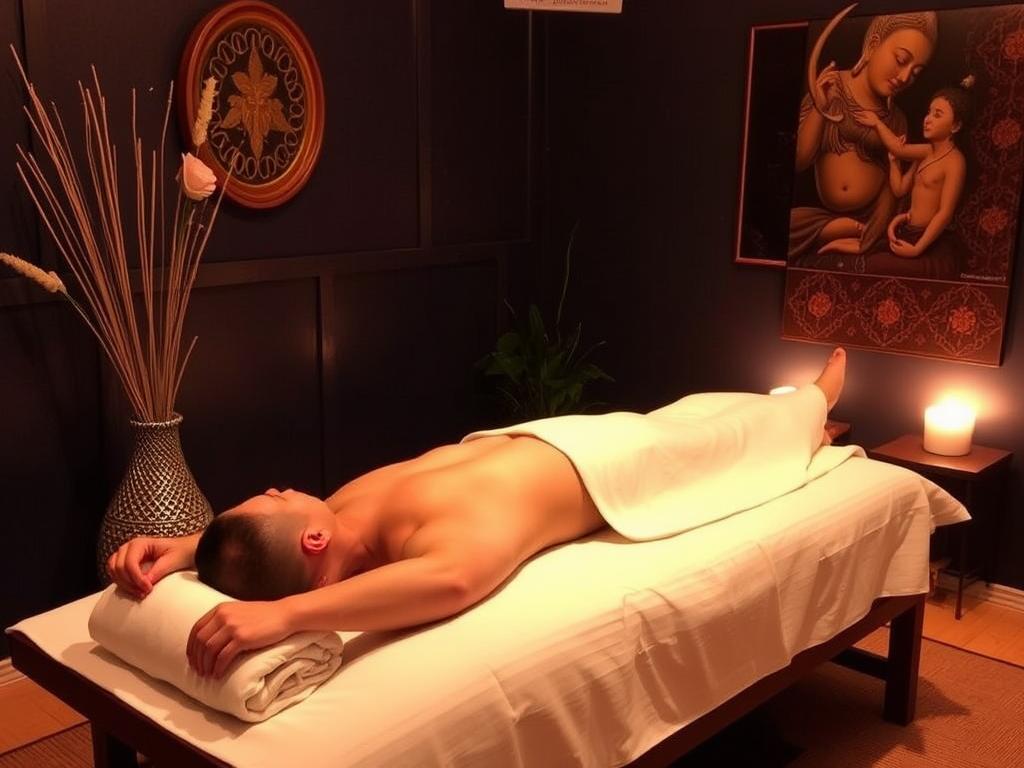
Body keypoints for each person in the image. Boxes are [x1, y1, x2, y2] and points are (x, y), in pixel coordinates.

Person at [108, 348, 849, 680]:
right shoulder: (434, 543)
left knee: (692, 410)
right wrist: (283, 616)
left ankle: (795, 417)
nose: (277, 486)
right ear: (313, 539)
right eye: (272, 498)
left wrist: (188, 547)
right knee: (719, 440)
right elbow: (455, 582)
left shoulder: (340, 516)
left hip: (553, 435)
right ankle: (812, 408)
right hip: (615, 469)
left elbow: (268, 544)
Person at [790, 11, 938, 264]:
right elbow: (799, 161)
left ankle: (857, 233)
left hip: (871, 218)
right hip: (819, 215)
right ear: (873, 45)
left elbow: (893, 190)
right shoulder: (830, 87)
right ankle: (831, 229)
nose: (904, 77)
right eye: (901, 60)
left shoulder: (896, 119)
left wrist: (871, 233)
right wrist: (820, 107)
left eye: (915, 72)